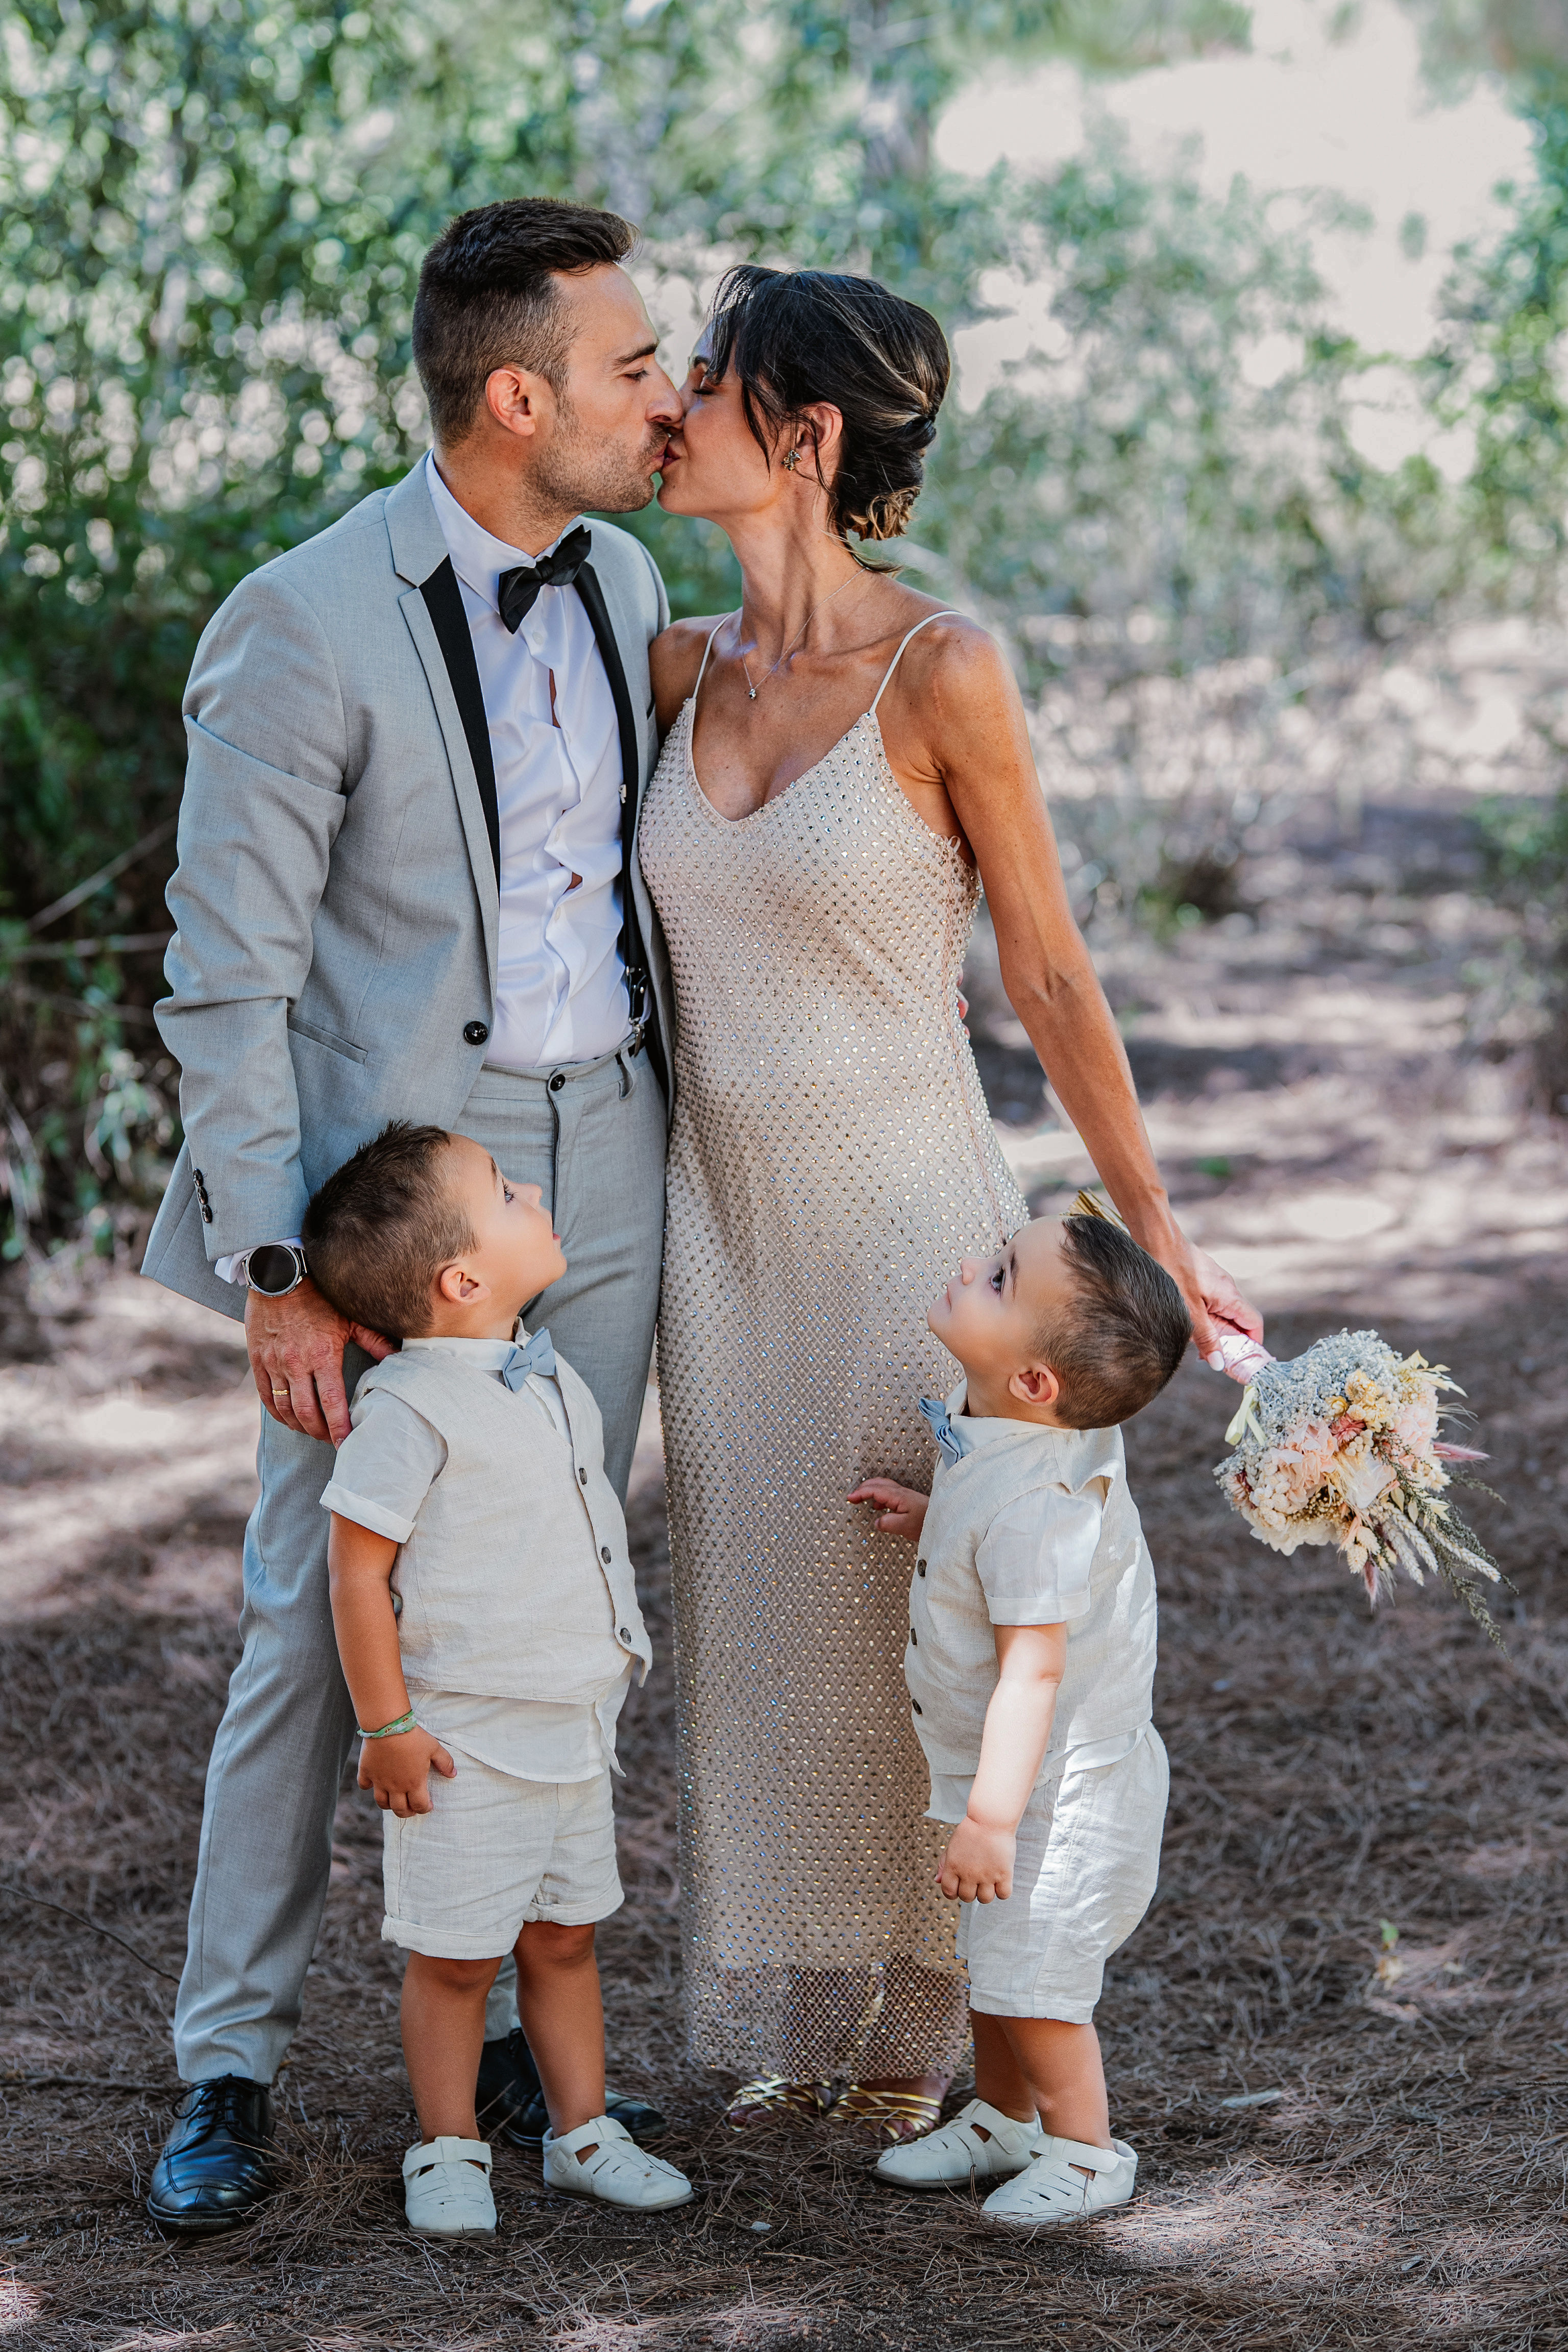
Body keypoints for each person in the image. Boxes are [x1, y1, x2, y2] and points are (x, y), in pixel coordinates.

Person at [639, 265, 1261, 2136]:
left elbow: (1050, 973)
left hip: (917, 1226)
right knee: (764, 1628)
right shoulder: (666, 663)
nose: (672, 403)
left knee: (924, 1623)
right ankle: (821, 2011)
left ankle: (949, 2034)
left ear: (806, 434)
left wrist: (1157, 1235)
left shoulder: (943, 670)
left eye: (710, 378)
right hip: (720, 1230)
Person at [140, 198, 682, 2234]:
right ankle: (231, 2059)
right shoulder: (299, 618)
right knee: (318, 1608)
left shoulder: (626, 578)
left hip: (607, 1155)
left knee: (547, 1589)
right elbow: (226, 979)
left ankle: (539, 2050)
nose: (667, 396)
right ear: (517, 396)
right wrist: (280, 1272)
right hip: (392, 1194)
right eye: (634, 365)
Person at [306, 1120, 694, 2230]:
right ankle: (448, 2148)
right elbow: (355, 1574)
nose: (531, 1185)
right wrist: (388, 1726)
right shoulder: (408, 1407)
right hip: (463, 1743)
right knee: (456, 1960)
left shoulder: (546, 1369)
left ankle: (582, 2132)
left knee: (565, 1940)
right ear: (462, 1279)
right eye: (505, 1191)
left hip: (570, 1728)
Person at [852, 1207, 1184, 2223]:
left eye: (999, 1276)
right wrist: (937, 1520)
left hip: (1058, 1794)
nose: (971, 1266)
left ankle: (1087, 2151)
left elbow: (1033, 1672)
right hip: (1017, 1780)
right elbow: (990, 1525)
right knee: (991, 1963)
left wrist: (992, 1820)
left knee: (1036, 1983)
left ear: (1037, 1382)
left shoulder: (1042, 1510)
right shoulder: (1013, 1428)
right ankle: (1002, 2117)